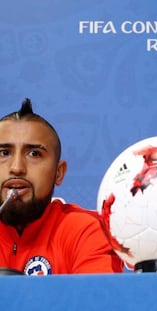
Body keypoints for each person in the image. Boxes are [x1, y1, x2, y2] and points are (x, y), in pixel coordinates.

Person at [0, 99, 123, 275]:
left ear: (59, 173)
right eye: (4, 153)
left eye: (34, 154)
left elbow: (97, 300)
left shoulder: (86, 231)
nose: (17, 167)